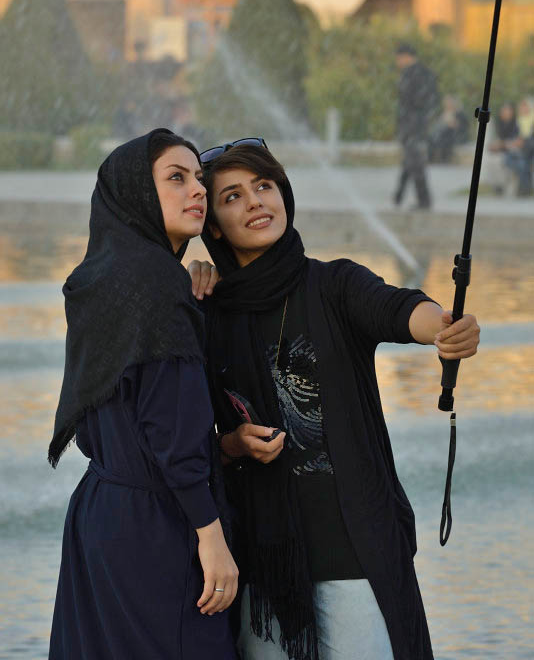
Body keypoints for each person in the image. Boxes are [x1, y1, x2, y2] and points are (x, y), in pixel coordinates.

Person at [189, 140, 481, 660]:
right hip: (261, 569)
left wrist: (442, 327)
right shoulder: (205, 311)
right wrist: (232, 445)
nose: (255, 202)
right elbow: (179, 430)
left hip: (354, 558)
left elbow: (400, 308)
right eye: (232, 196)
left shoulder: (334, 284)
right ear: (212, 224)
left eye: (264, 186)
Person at [48, 129, 238, 660]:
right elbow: (171, 435)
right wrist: (211, 536)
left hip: (100, 513)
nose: (196, 190)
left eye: (199, 178)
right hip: (160, 524)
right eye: (175, 179)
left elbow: (107, 420)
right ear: (134, 192)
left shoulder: (99, 278)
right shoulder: (157, 283)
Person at [393, 44, 440, 209]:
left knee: (415, 162)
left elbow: (420, 102)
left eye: (399, 58)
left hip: (414, 125)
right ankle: (398, 195)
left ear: (406, 56)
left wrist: (414, 122)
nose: (397, 62)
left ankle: (423, 200)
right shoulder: (421, 73)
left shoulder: (416, 74)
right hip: (414, 125)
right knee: (410, 160)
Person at [489, 103, 531, 196]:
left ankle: (524, 188)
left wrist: (504, 144)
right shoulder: (497, 124)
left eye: (508, 111)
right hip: (502, 152)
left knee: (521, 163)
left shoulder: (516, 123)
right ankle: (499, 187)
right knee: (495, 162)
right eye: (504, 111)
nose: (507, 113)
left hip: (515, 151)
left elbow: (519, 141)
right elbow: (492, 144)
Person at [428, 94, 469, 163]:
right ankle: (432, 158)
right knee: (432, 139)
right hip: (442, 135)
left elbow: (462, 126)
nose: (447, 104)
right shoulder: (444, 113)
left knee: (441, 138)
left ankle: (443, 158)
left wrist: (452, 124)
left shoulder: (459, 113)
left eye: (449, 102)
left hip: (454, 136)